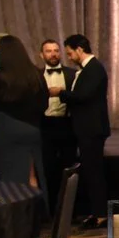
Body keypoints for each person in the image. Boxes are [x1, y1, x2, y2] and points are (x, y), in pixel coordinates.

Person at [50, 34, 108, 228]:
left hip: (92, 129)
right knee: (90, 171)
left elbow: (84, 96)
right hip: (85, 129)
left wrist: (61, 93)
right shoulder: (86, 70)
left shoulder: (94, 69)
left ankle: (100, 214)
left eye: (69, 53)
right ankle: (96, 211)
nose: (68, 57)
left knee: (94, 172)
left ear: (79, 50)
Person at [0, 36, 49, 188]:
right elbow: (44, 103)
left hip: (9, 128)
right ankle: (38, 208)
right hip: (33, 128)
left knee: (12, 174)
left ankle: (17, 208)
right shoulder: (36, 74)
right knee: (33, 173)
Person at [39, 39, 77, 208]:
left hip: (67, 124)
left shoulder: (71, 73)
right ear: (42, 55)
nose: (53, 54)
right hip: (44, 126)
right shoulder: (35, 75)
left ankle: (70, 209)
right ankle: (51, 209)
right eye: (49, 51)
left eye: (56, 50)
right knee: (48, 168)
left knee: (69, 166)